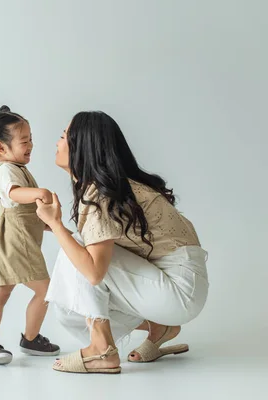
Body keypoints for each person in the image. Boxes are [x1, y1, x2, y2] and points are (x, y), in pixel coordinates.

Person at [36, 111, 208, 374]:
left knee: (76, 258)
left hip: (179, 288)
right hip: (177, 285)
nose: (57, 143)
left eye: (63, 137)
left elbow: (93, 272)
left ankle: (101, 350)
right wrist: (59, 230)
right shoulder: (110, 187)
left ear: (82, 146)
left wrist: (58, 226)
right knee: (69, 305)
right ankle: (159, 326)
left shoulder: (100, 193)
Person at [0, 105, 60, 365]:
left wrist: (45, 223)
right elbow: (14, 195)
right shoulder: (6, 171)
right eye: (24, 141)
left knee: (1, 293)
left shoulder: (18, 168)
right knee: (46, 290)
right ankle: (29, 338)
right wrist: (39, 193)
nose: (30, 145)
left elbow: (21, 209)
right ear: (1, 148)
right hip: (13, 239)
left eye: (31, 139)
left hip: (15, 237)